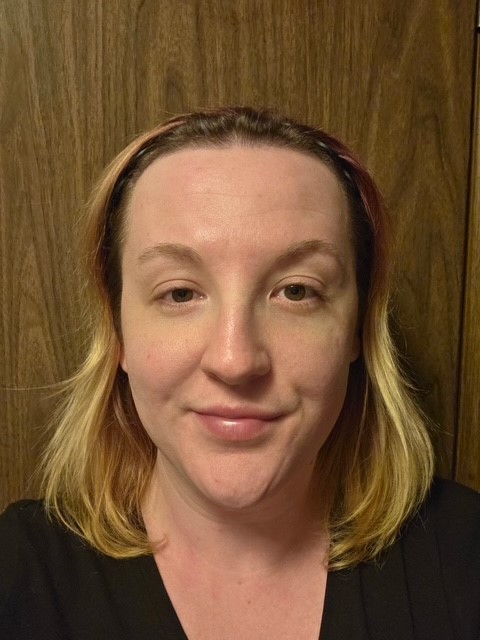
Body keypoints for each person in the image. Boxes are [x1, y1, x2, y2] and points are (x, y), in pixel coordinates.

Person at [0, 106, 478, 640]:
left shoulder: (463, 558)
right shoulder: (19, 575)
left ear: (357, 330)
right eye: (180, 293)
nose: (235, 361)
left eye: (296, 291)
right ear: (118, 334)